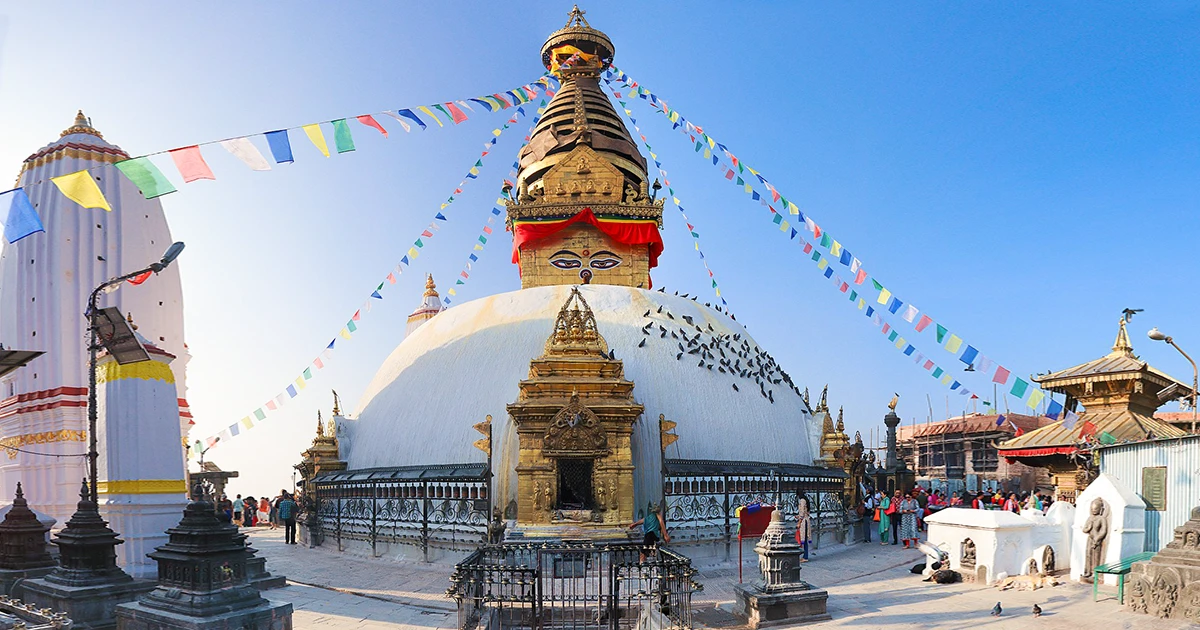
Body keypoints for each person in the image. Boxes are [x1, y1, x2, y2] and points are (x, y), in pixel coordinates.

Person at [795, 495, 812, 562]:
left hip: (804, 522)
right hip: (806, 520)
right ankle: (805, 556)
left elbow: (802, 513)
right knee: (805, 539)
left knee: (803, 539)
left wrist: (799, 522)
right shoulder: (806, 500)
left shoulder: (802, 501)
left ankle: (805, 557)